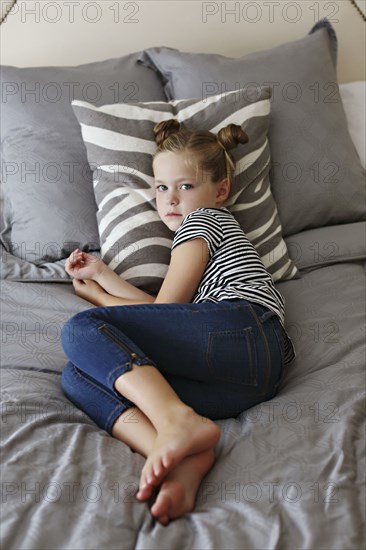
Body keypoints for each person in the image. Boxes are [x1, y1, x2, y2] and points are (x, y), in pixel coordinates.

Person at [60, 119, 296, 526]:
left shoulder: (202, 220)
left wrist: (99, 301)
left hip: (244, 327)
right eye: (161, 187)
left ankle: (175, 421)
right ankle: (179, 458)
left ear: (219, 191)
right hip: (248, 378)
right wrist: (102, 278)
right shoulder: (202, 229)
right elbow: (169, 313)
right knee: (79, 374)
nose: (170, 199)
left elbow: (167, 306)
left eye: (184, 186)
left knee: (80, 330)